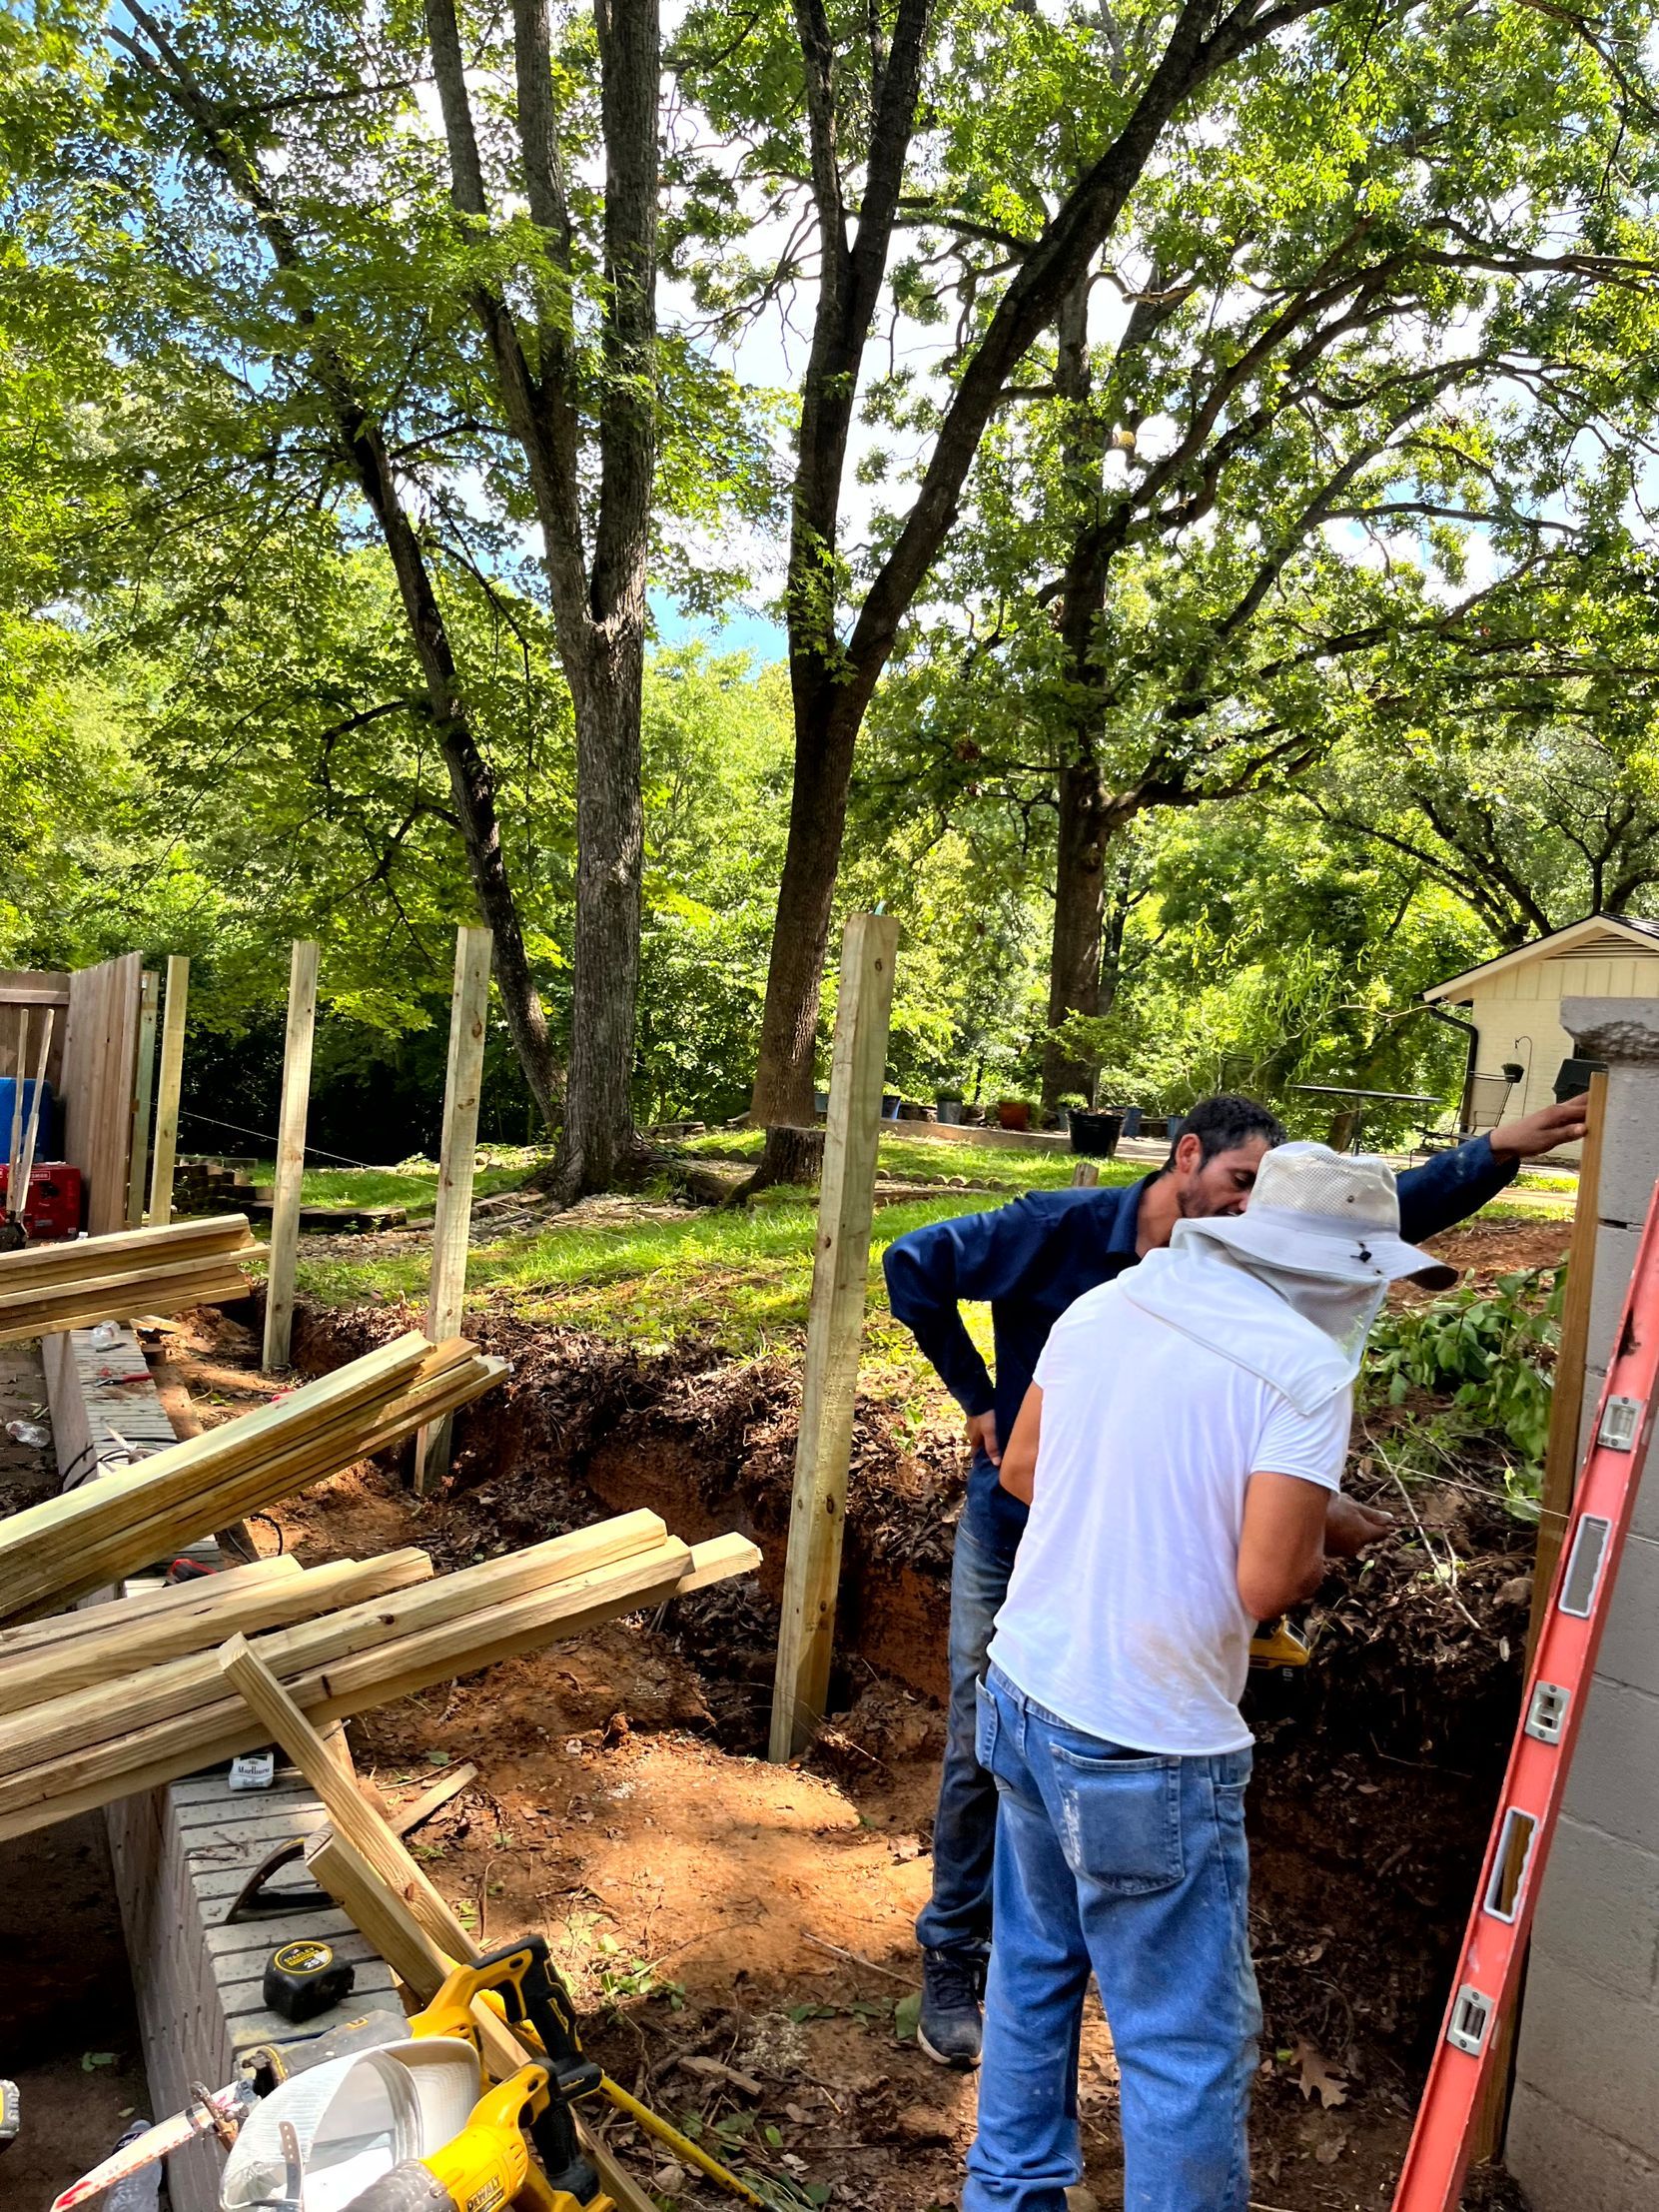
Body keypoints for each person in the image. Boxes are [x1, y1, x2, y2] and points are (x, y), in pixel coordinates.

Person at [883, 1088, 1590, 2065]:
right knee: (983, 1745)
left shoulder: (1257, 1266)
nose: (1248, 1206)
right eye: (1238, 1182)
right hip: (1024, 1534)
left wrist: (1492, 1152)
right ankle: (952, 1957)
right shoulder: (1056, 1234)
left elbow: (1350, 1236)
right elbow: (908, 1264)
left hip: (1151, 1564)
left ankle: (1045, 1966)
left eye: (1262, 1193)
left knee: (1055, 1760)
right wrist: (976, 1398)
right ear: (1184, 1159)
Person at [963, 1143, 1445, 2212]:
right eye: (1368, 1279)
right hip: (1145, 1744)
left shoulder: (1112, 1303)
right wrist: (1320, 1539)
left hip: (1024, 1688)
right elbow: (1266, 1583)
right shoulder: (1303, 1368)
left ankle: (1006, 2197)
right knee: (1183, 2045)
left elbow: (1028, 1469)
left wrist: (1301, 1504)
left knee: (1033, 1971)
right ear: (1335, 1271)